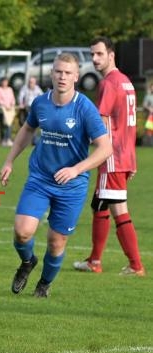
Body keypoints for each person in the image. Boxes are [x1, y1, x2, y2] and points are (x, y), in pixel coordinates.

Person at [0, 52, 112, 298]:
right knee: (22, 231)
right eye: (58, 72)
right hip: (40, 179)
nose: (62, 77)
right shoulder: (40, 102)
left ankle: (44, 285)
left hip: (72, 186)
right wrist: (9, 161)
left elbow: (106, 148)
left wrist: (76, 169)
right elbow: (27, 129)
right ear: (52, 74)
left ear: (76, 77)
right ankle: (27, 262)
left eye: (68, 73)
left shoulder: (85, 108)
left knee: (56, 242)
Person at [73, 36, 145, 277]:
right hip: (123, 156)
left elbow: (102, 123)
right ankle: (97, 259)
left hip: (112, 157)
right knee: (101, 205)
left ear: (111, 55)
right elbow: (129, 125)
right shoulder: (126, 82)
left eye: (99, 54)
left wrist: (91, 150)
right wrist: (131, 160)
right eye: (92, 54)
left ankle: (132, 265)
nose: (94, 59)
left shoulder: (109, 83)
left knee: (115, 209)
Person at [0, 77, 16, 147]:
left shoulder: (10, 89)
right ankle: (3, 139)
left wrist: (12, 104)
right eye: (3, 82)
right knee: (3, 125)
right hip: (2, 110)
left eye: (6, 82)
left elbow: (12, 98)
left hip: (9, 109)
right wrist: (5, 105)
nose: (5, 83)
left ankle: (8, 139)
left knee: (9, 124)